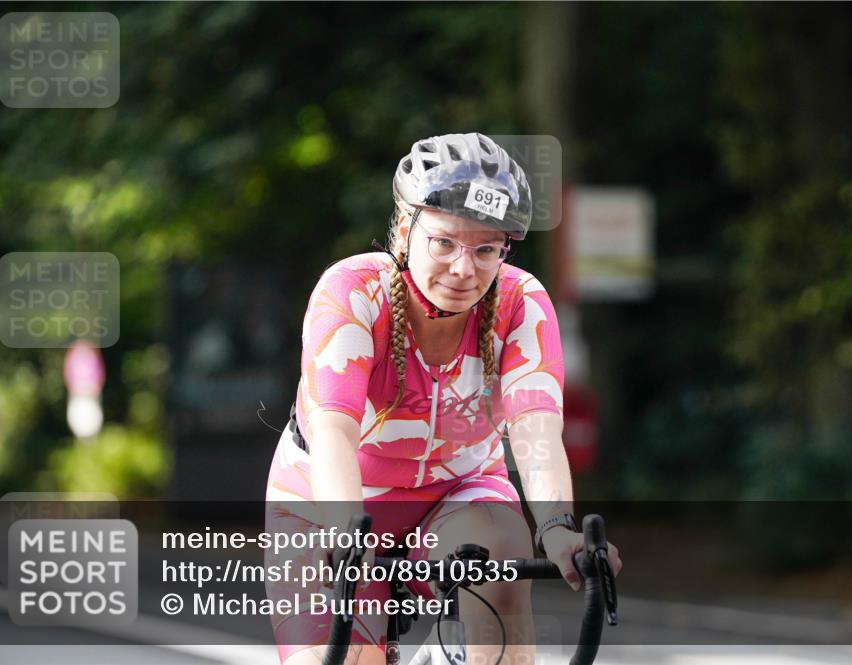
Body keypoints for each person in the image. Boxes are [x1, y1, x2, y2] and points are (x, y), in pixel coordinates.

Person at [265, 132, 621, 665]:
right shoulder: (353, 292)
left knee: (503, 551)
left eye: (486, 250)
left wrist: (557, 529)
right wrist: (344, 525)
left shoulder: (521, 304)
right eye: (445, 243)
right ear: (406, 229)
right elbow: (333, 427)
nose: (463, 269)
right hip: (330, 496)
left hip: (459, 492)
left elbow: (535, 431)